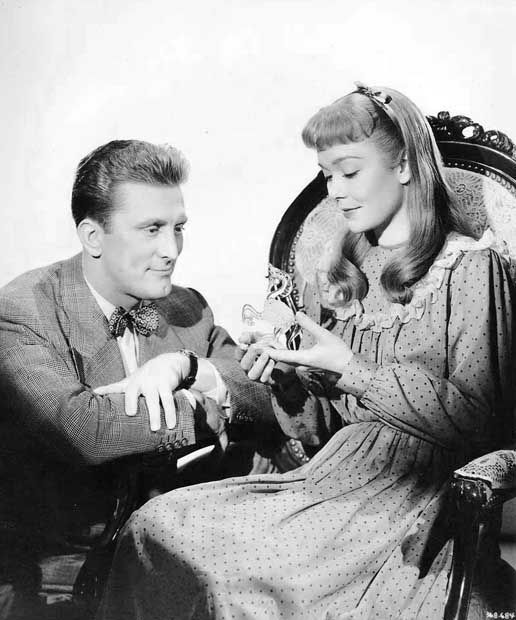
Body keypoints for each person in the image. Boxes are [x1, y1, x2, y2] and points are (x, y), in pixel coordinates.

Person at [97, 86, 515, 619]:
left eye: (349, 172)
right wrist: (287, 378)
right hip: (331, 478)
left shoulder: (472, 268)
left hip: (420, 502)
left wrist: (352, 370)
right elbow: (316, 433)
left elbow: (481, 422)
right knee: (155, 525)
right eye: (326, 175)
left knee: (232, 578)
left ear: (405, 165)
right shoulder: (341, 274)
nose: (335, 192)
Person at [0, 140, 274, 615]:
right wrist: (202, 409)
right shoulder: (23, 310)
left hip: (169, 554)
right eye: (151, 229)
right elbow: (83, 429)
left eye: (178, 228)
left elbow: (265, 395)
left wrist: (189, 367)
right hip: (55, 575)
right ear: (93, 237)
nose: (171, 251)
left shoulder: (187, 306)